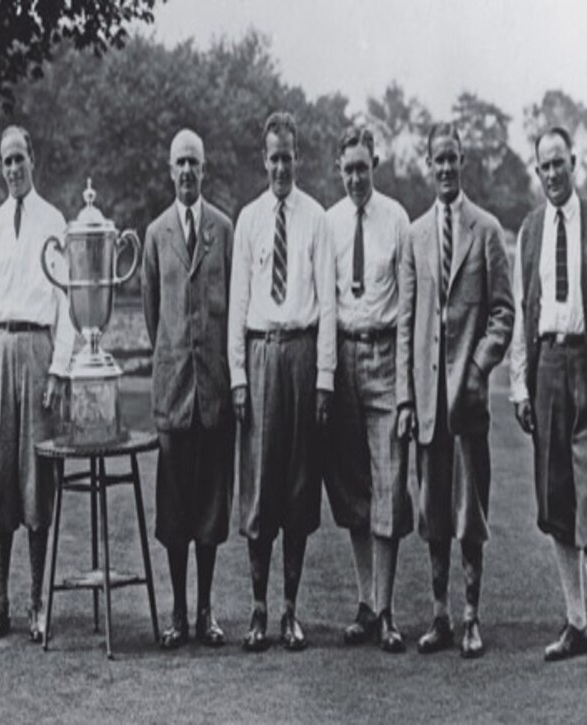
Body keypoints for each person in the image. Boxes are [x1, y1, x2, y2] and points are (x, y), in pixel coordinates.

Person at [510, 127, 587, 672]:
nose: (553, 175)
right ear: (537, 173)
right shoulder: (530, 230)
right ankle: (576, 621)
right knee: (558, 499)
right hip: (547, 369)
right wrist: (519, 384)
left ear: (574, 164)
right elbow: (521, 311)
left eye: (560, 164)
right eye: (544, 168)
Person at [396, 122, 513, 659]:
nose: (445, 168)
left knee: (470, 514)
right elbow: (407, 321)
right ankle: (440, 615)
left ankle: (471, 617)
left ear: (463, 161)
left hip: (466, 400)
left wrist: (478, 367)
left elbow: (503, 313)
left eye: (452, 159)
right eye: (437, 160)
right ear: (430, 164)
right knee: (434, 513)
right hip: (425, 401)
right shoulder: (417, 234)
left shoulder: (486, 230)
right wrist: (405, 395)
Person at [228, 111, 336, 652]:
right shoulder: (248, 219)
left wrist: (324, 377)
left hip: (301, 353)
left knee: (297, 486)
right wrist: (237, 377)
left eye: (288, 157)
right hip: (261, 355)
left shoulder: (315, 218)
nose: (280, 166)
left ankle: (290, 610)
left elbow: (329, 305)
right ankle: (257, 609)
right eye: (272, 157)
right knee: (260, 489)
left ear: (299, 157)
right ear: (262, 158)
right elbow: (237, 306)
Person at [0, 125, 74, 643]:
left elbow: (68, 305)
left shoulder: (53, 220)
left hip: (36, 351)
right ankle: (1, 603)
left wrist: (58, 369)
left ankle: (38, 601)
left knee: (36, 480)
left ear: (34, 159)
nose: (13, 169)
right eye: (5, 161)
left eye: (19, 159)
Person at [142, 128, 235, 649]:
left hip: (215, 394)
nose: (186, 172)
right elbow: (155, 315)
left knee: (210, 511)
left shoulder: (223, 227)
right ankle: (177, 611)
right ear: (169, 168)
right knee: (175, 512)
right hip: (174, 393)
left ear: (204, 168)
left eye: (194, 163)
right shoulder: (156, 234)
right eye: (179, 162)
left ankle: (206, 610)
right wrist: (175, 360)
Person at [324, 127, 412, 653]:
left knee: (389, 484)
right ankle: (365, 603)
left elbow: (406, 307)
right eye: (348, 169)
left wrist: (404, 390)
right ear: (339, 169)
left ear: (374, 164)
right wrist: (328, 376)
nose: (356, 177)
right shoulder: (330, 223)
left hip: (383, 356)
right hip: (343, 361)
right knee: (355, 487)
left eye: (363, 167)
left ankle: (387, 608)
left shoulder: (396, 219)